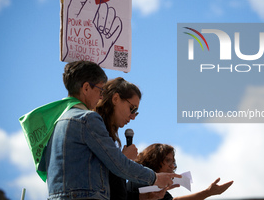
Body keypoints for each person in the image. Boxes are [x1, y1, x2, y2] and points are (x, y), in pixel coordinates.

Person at [21, 61, 180, 200]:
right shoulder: (87, 119)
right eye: (100, 91)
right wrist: (155, 178)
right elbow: (118, 165)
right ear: (86, 88)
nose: (101, 97)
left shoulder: (57, 121)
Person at [127, 143, 234, 200]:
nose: (172, 166)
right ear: (154, 160)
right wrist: (207, 193)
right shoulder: (139, 182)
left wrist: (208, 192)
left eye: (173, 162)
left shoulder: (160, 192)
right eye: (168, 161)